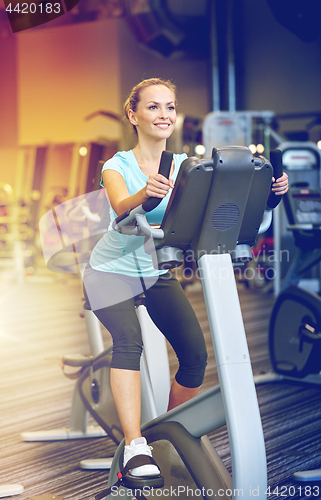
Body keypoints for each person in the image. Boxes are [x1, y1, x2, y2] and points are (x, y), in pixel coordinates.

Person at [83, 77, 288, 479]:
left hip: (154, 272)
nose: (164, 115)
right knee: (130, 342)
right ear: (133, 114)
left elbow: (222, 206)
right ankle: (135, 448)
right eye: (154, 107)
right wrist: (146, 194)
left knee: (195, 357)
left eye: (170, 107)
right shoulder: (117, 165)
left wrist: (270, 195)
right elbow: (123, 206)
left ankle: (168, 434)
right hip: (109, 272)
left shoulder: (185, 167)